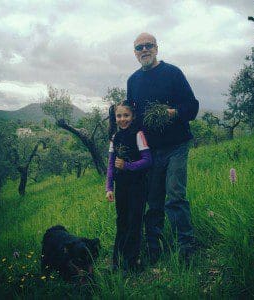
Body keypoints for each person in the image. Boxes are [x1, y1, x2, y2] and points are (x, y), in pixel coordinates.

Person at [127, 32, 199, 264]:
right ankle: (153, 249)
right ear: (135, 53)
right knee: (154, 199)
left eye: (148, 46)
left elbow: (192, 106)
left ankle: (186, 249)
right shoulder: (133, 81)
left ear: (156, 48)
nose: (144, 50)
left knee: (175, 196)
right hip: (150, 151)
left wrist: (174, 112)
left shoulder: (173, 73)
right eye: (140, 47)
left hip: (176, 145)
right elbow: (133, 117)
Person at [106, 101, 152, 272]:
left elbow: (148, 160)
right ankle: (117, 262)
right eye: (119, 116)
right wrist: (109, 187)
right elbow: (111, 165)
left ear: (132, 117)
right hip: (121, 187)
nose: (122, 119)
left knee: (134, 222)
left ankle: (131, 262)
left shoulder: (138, 135)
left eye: (126, 115)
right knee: (121, 221)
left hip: (138, 186)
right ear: (115, 117)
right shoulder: (115, 138)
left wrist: (127, 166)